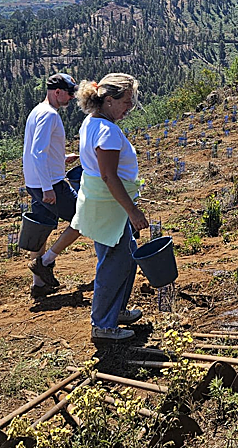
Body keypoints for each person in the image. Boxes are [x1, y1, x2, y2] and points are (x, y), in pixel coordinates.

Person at [72, 74, 148, 343]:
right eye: (126, 101)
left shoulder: (93, 123)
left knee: (126, 256)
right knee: (113, 263)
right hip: (110, 206)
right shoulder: (108, 131)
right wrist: (133, 212)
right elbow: (109, 176)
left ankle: (115, 311)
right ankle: (103, 324)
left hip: (105, 203)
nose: (129, 107)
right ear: (108, 100)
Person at [22, 73, 82, 300]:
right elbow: (37, 153)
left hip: (34, 182)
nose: (70, 98)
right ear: (57, 92)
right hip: (50, 184)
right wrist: (48, 188)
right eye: (68, 93)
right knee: (83, 219)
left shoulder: (38, 111)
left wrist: (61, 157)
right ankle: (45, 262)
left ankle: (39, 286)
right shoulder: (49, 115)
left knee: (43, 228)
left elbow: (35, 151)